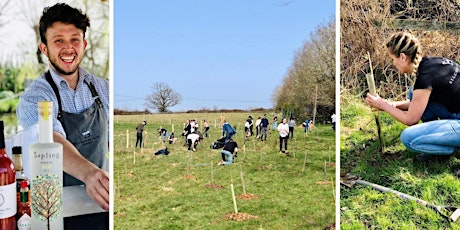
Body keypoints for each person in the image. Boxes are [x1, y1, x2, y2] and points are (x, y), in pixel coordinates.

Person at [16, 3, 109, 210]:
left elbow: (111, 143)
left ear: (84, 45)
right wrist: (89, 174)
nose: (68, 48)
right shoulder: (35, 97)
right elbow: (51, 138)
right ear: (44, 48)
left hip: (100, 205)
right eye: (59, 41)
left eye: (74, 40)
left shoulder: (104, 90)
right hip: (55, 209)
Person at [365, 31, 460, 161]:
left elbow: (410, 120)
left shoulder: (425, 78)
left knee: (409, 138)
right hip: (455, 111)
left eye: (393, 59)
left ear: (403, 57)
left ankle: (450, 150)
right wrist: (392, 105)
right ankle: (439, 139)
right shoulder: (432, 63)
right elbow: (419, 103)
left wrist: (383, 105)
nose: (394, 64)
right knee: (412, 92)